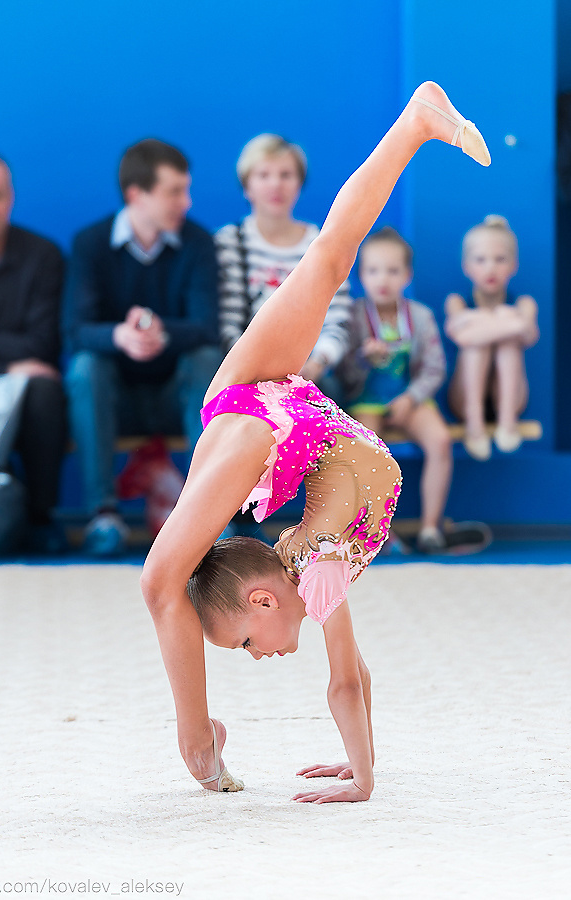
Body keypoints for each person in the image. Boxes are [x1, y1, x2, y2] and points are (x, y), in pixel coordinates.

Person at [140, 82, 491, 804]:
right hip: (294, 413)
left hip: (253, 416)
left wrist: (199, 736)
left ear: (263, 603)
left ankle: (194, 739)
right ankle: (416, 122)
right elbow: (352, 673)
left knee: (329, 260)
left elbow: (340, 680)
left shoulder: (309, 561)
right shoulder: (309, 558)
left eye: (240, 644)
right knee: (330, 261)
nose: (254, 658)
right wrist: (359, 766)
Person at [63, 139, 221, 556]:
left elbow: (207, 328)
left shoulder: (198, 243)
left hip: (178, 394)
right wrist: (121, 335)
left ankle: (206, 516)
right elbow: (75, 330)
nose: (185, 203)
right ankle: (104, 515)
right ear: (137, 194)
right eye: (174, 191)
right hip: (116, 399)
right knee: (85, 367)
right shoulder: (91, 244)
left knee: (208, 360)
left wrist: (156, 330)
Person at [338, 226, 454, 554]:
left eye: (392, 270)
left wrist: (412, 397)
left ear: (407, 275)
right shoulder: (354, 316)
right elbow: (344, 377)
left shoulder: (420, 316)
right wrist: (363, 359)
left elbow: (434, 369)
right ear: (361, 275)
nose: (383, 279)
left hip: (409, 396)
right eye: (373, 271)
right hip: (366, 399)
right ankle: (376, 533)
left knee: (440, 441)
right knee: (367, 450)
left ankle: (431, 528)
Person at [0, 149, 67, 553]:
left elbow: (43, 344)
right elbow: (26, 348)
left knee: (44, 389)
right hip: (7, 373)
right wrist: (10, 358)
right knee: (31, 375)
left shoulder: (42, 257)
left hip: (21, 388)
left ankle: (40, 519)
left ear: (11, 198)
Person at [215, 133, 351, 396]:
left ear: (299, 183)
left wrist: (316, 363)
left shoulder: (321, 244)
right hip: (243, 375)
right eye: (264, 175)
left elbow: (338, 323)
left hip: (307, 374)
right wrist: (256, 370)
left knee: (328, 393)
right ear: (247, 186)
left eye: (286, 175)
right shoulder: (228, 242)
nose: (276, 184)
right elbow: (225, 324)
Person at [444, 215, 539, 460]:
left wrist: (477, 322)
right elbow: (463, 338)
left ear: (513, 265)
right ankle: (474, 426)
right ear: (466, 265)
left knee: (507, 344)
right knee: (477, 345)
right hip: (463, 402)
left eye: (500, 259)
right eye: (480, 260)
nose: (490, 268)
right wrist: (508, 322)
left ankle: (508, 421)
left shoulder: (524, 303)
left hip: (511, 398)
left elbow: (529, 335)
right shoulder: (456, 301)